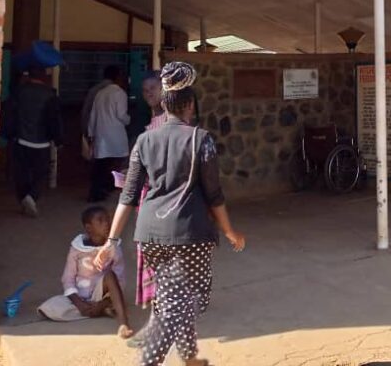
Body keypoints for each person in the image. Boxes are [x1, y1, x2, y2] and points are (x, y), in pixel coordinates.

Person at [96, 62, 245, 366]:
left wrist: (112, 240)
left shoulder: (144, 140)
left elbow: (127, 195)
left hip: (149, 235)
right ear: (190, 105)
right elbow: (214, 195)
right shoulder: (201, 140)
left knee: (172, 297)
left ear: (164, 103)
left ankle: (189, 357)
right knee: (183, 303)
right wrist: (230, 231)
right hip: (190, 236)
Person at [37, 206, 133, 339]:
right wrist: (79, 304)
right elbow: (68, 279)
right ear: (89, 228)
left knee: (110, 276)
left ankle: (123, 323)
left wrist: (102, 302)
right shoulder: (77, 248)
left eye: (107, 220)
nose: (107, 223)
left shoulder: (113, 247)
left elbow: (120, 279)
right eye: (100, 220)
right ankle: (97, 310)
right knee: (47, 308)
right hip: (79, 297)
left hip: (103, 294)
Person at [3, 65, 62, 217]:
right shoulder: (50, 95)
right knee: (39, 173)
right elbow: (54, 120)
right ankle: (32, 196)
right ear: (44, 77)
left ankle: (23, 197)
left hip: (21, 139)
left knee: (21, 172)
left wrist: (8, 133)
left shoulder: (19, 92)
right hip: (42, 142)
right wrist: (58, 139)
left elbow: (9, 113)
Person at [133, 73, 166, 311]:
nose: (150, 93)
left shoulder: (169, 122)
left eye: (154, 88)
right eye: (145, 90)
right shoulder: (152, 118)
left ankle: (163, 296)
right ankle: (156, 295)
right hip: (149, 192)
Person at [87, 67, 130, 202]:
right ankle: (105, 189)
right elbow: (121, 115)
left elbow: (93, 115)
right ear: (118, 77)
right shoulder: (120, 93)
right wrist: (130, 119)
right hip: (114, 135)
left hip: (101, 135)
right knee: (113, 164)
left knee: (100, 165)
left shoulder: (100, 93)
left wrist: (91, 133)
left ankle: (97, 191)